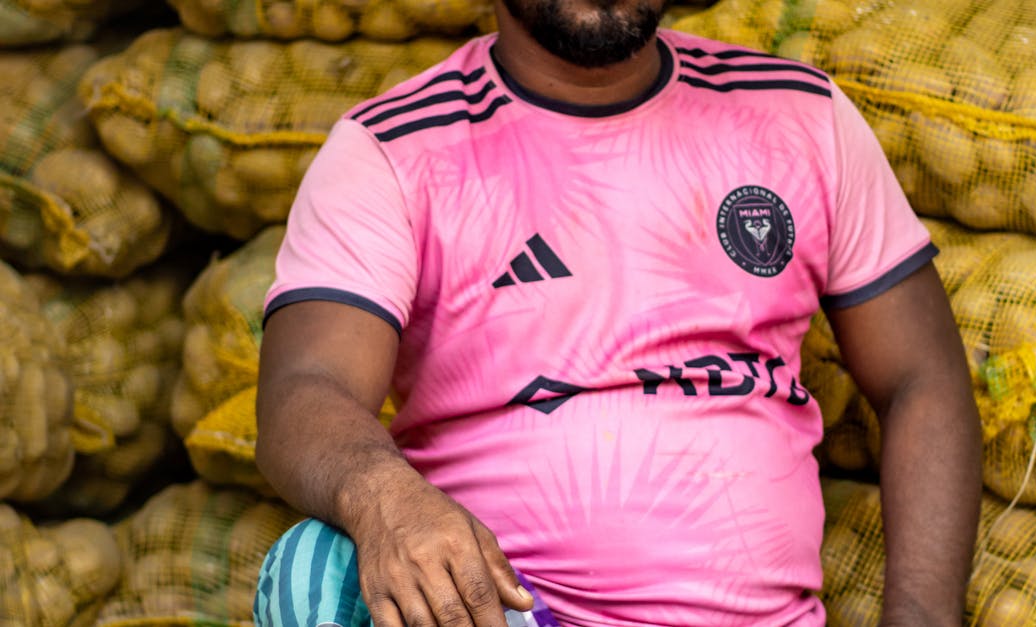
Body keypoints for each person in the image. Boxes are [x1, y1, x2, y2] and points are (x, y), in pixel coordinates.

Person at [252, 0, 984, 624]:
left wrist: (920, 616)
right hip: (513, 609)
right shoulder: (395, 148)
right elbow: (304, 388)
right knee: (311, 567)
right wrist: (385, 497)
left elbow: (922, 373)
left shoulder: (798, 114)